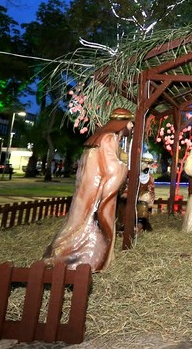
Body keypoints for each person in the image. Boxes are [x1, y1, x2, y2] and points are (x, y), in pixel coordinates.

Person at [43, 108, 134, 272]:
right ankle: (85, 258)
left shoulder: (101, 137)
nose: (131, 127)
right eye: (131, 124)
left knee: (81, 218)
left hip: (90, 189)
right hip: (97, 191)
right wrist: (124, 166)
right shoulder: (108, 138)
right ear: (124, 123)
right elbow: (112, 167)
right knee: (92, 222)